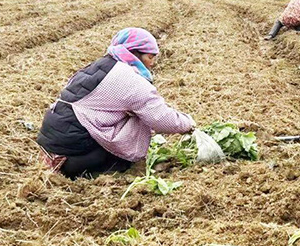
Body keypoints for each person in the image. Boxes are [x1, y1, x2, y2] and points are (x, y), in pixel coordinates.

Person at [37, 28, 195, 179]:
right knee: (125, 159)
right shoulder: (128, 78)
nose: (152, 63)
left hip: (52, 146)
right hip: (76, 153)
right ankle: (92, 173)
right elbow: (160, 118)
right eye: (150, 57)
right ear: (134, 53)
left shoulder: (102, 65)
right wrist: (188, 124)